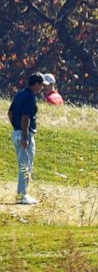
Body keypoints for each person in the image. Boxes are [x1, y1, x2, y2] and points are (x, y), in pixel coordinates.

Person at [7, 73, 45, 204]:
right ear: (36, 84)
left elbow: (10, 112)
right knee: (26, 165)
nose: (41, 88)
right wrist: (24, 136)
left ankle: (22, 194)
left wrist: (16, 128)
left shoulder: (20, 94)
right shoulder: (30, 97)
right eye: (41, 85)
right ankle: (22, 195)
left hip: (17, 132)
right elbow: (25, 117)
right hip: (25, 134)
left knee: (23, 164)